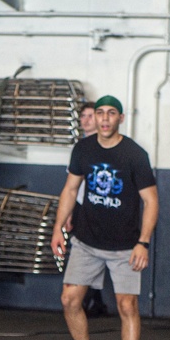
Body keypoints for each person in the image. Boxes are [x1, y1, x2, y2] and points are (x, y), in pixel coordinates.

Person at [51, 95, 158, 340]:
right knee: (69, 299)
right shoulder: (83, 149)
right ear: (94, 118)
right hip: (86, 241)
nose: (105, 118)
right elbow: (71, 189)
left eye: (111, 113)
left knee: (127, 307)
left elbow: (151, 200)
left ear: (120, 119)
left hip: (125, 246)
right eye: (100, 113)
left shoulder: (134, 154)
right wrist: (58, 228)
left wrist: (143, 243)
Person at [68, 101, 108, 319]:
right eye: (82, 116)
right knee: (84, 251)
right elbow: (73, 186)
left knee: (98, 252)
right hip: (82, 206)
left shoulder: (105, 145)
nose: (85, 120)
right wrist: (70, 212)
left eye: (90, 115)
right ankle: (92, 299)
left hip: (101, 207)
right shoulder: (80, 147)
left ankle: (94, 299)